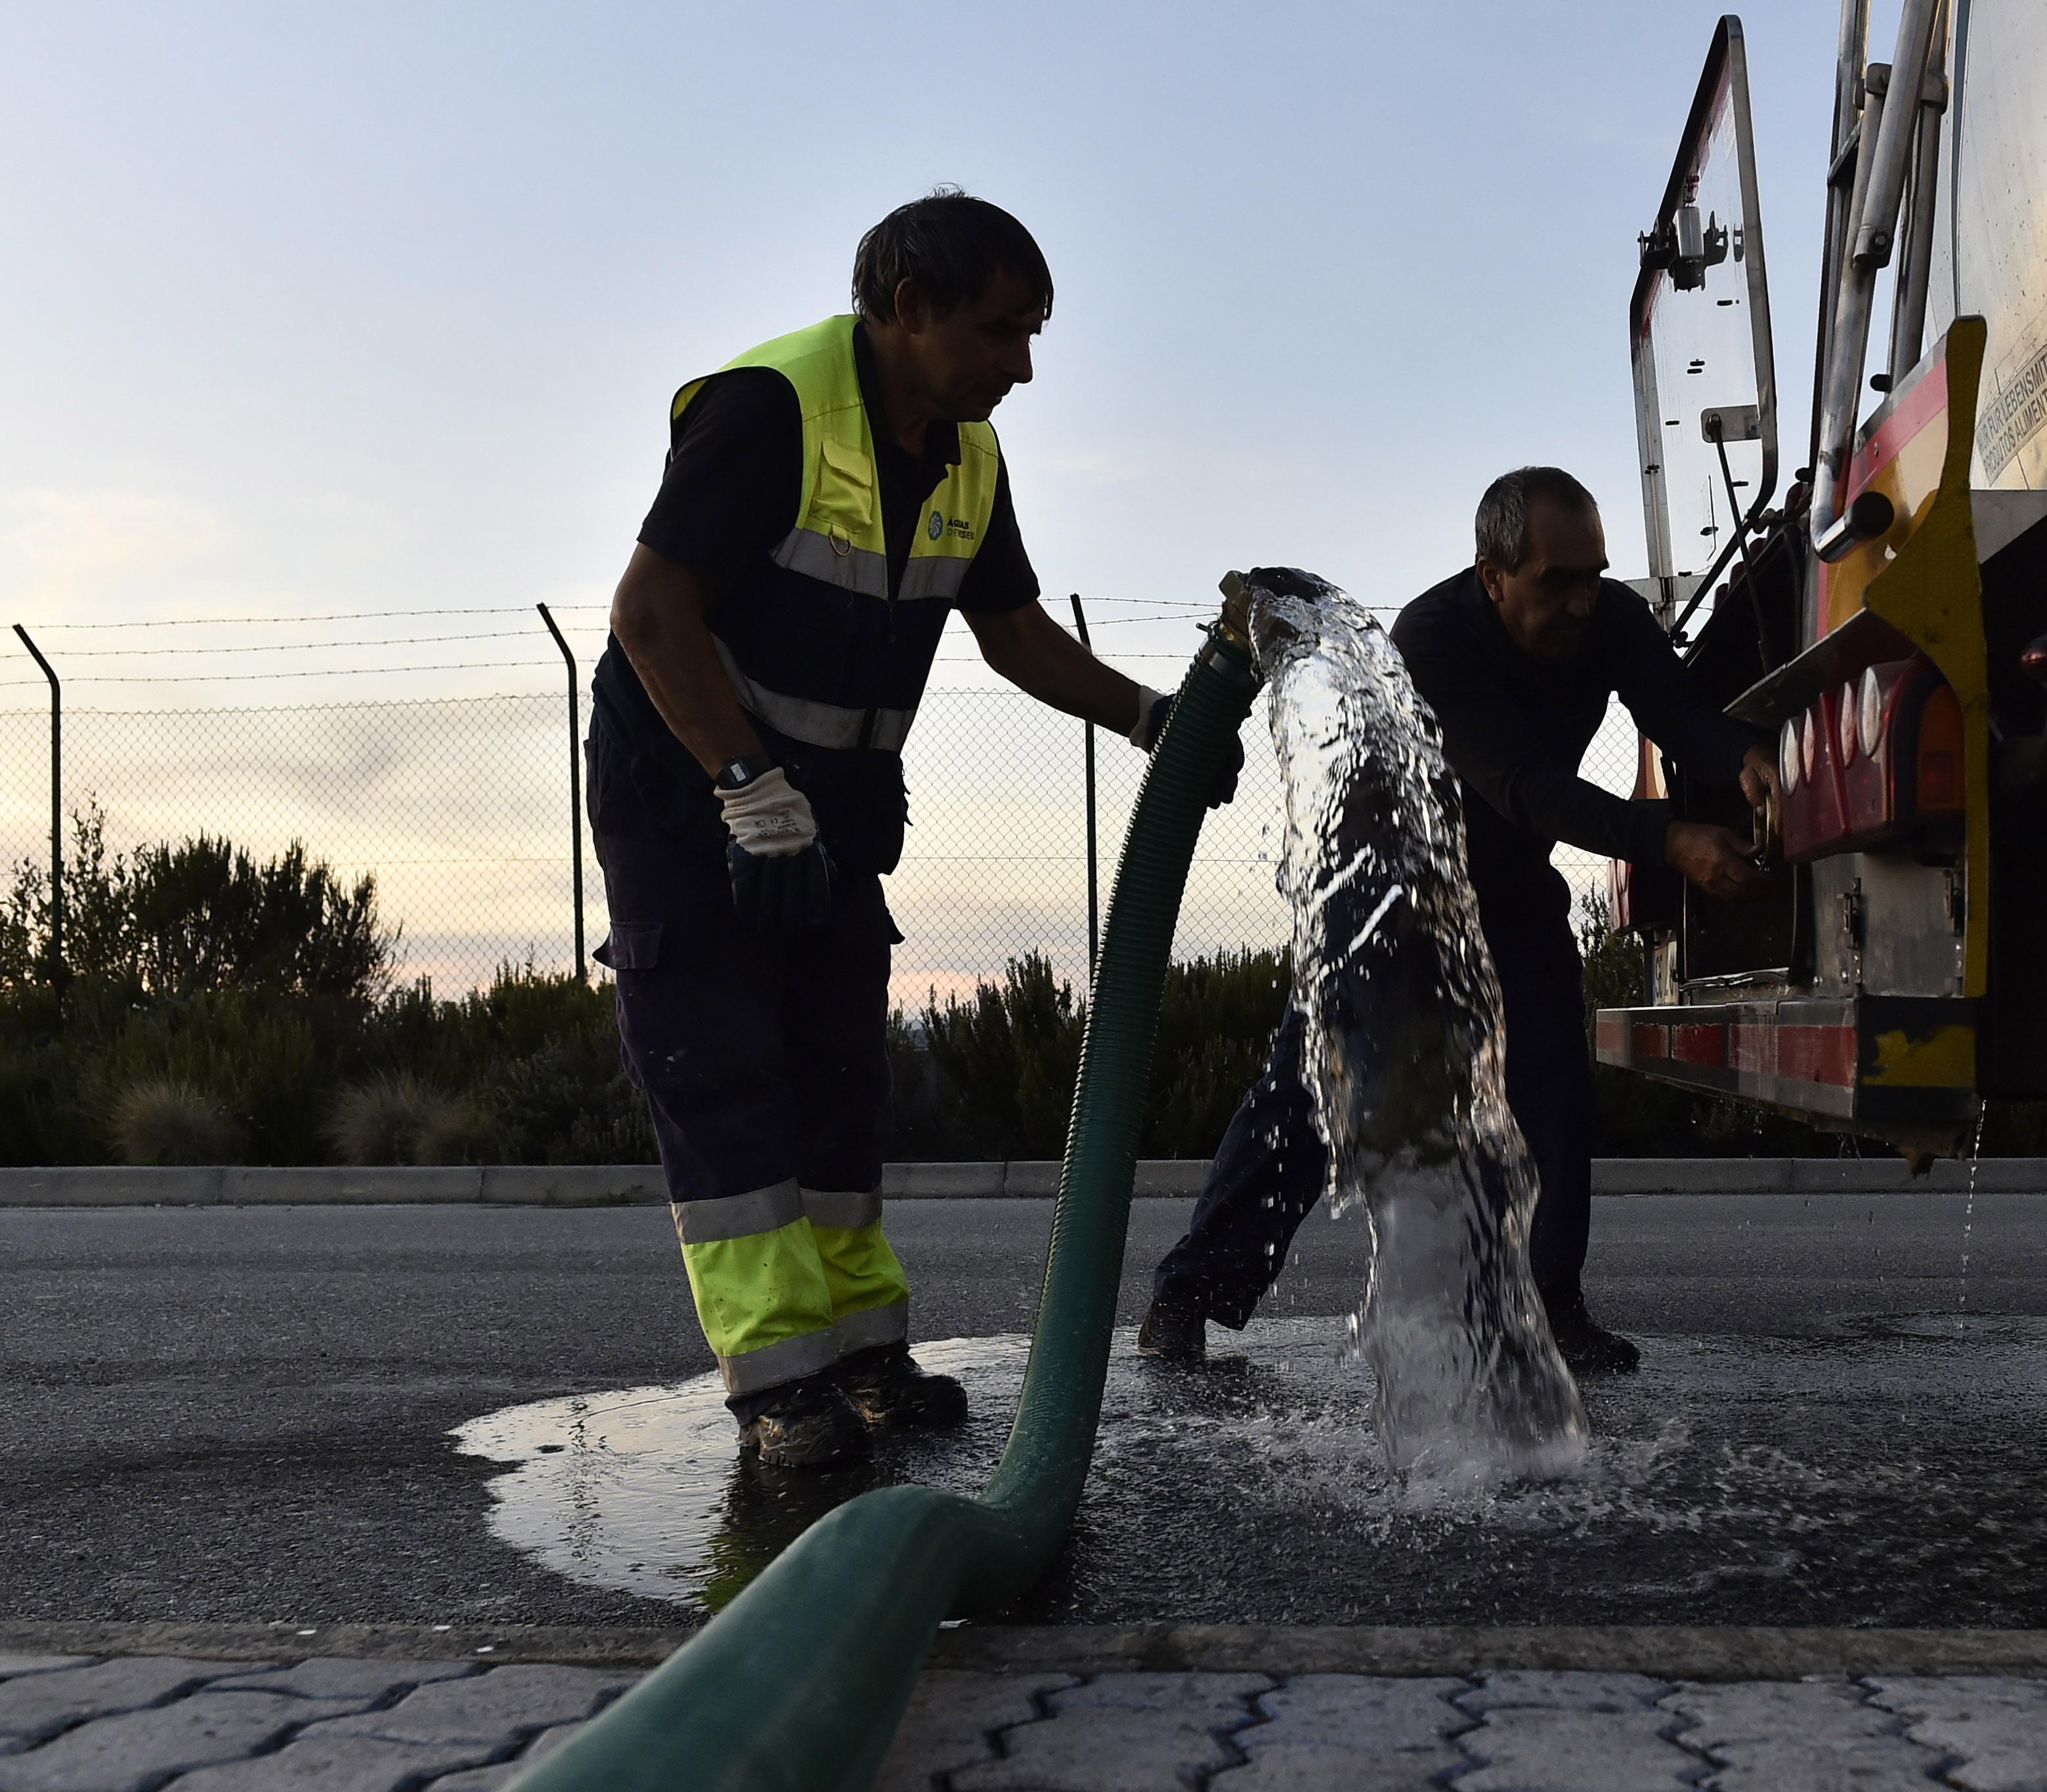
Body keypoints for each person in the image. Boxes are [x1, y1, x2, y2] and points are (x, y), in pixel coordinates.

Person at [590, 189, 1238, 1470]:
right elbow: (650, 609)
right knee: (727, 1076)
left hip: (826, 798)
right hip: (688, 783)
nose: (1024, 364)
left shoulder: (964, 450)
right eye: (1002, 331)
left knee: (840, 1076)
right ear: (908, 309)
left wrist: (1151, 717)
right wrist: (746, 787)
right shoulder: (769, 411)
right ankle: (782, 1388)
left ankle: (863, 1357)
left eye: (1034, 332)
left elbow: (1009, 631)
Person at [1140, 467, 1771, 1371]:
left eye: (1595, 573)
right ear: (1492, 575)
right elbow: (1524, 787)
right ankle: (1187, 1296)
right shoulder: (1434, 639)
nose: (1583, 601)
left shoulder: (1610, 620)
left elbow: (1682, 717)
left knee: (1552, 1083)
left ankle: (1551, 1310)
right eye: (1556, 581)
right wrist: (1669, 842)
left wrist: (1746, 756)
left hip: (1509, 886)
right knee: (1311, 1096)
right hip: (1388, 886)